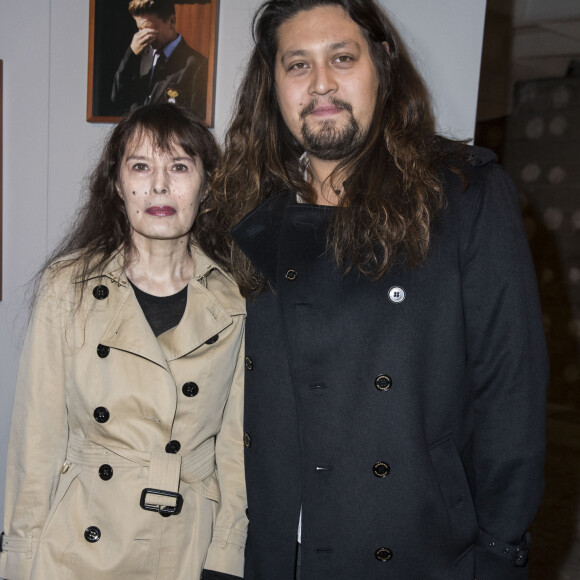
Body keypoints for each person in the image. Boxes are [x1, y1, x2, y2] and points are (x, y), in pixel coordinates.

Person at [209, 1, 550, 578]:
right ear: (273, 84)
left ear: (382, 63)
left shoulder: (463, 195)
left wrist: (500, 553)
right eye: (297, 65)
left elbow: (510, 393)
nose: (321, 84)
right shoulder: (248, 214)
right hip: (279, 551)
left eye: (342, 58)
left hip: (421, 547)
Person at [0, 104, 246, 580]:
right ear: (117, 185)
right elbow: (37, 444)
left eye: (179, 167)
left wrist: (228, 552)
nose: (159, 186)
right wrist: (17, 559)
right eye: (140, 167)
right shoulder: (66, 288)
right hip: (78, 546)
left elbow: (234, 448)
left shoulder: (233, 298)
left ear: (206, 186)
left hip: (185, 546)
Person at [111, 0, 208, 120]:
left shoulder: (197, 64)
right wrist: (130, 54)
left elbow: (196, 118)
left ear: (172, 21)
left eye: (150, 29)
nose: (144, 35)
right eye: (140, 29)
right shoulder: (139, 56)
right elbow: (117, 98)